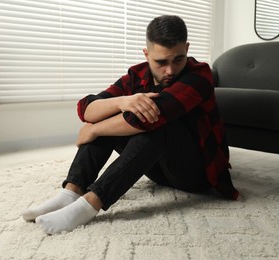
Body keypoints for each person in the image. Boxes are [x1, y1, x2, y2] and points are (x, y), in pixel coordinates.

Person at [21, 15, 239, 235]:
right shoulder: (137, 75)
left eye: (178, 59)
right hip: (158, 170)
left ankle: (90, 204)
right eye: (161, 62)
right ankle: (70, 193)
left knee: (157, 123)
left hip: (197, 174)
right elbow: (87, 107)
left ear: (187, 49)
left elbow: (146, 119)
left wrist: (94, 129)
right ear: (147, 54)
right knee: (110, 113)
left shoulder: (200, 75)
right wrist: (122, 101)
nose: (171, 71)